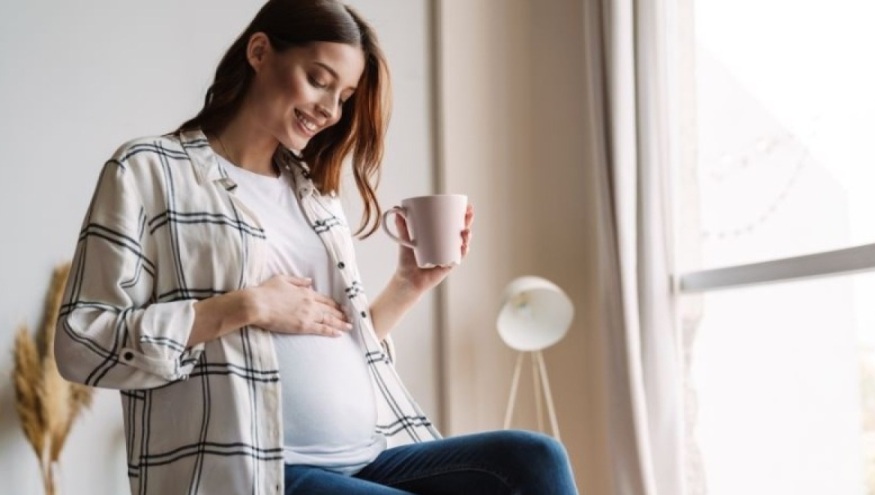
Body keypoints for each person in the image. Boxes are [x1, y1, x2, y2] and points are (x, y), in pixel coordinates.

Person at [54, 0, 579, 493]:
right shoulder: (150, 170)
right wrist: (246, 306)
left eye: (344, 97)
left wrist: (409, 285)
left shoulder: (314, 196)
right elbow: (82, 343)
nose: (329, 109)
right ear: (259, 52)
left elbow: (335, 338)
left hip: (368, 452)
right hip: (258, 467)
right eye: (318, 81)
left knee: (534, 459)